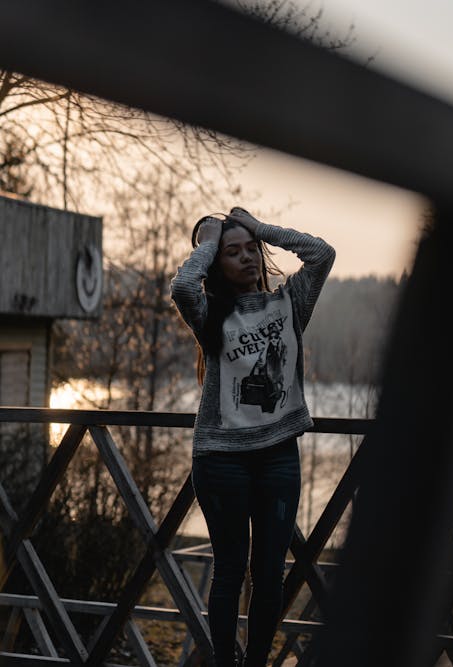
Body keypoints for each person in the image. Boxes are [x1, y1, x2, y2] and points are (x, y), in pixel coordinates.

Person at [171, 207, 335, 667]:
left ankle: (256, 662)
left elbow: (322, 254)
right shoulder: (211, 314)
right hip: (222, 460)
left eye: (251, 250)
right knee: (229, 572)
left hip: (279, 457)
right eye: (232, 252)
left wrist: (260, 228)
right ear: (215, 262)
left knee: (269, 577)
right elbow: (184, 286)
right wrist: (207, 238)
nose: (245, 258)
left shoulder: (290, 303)